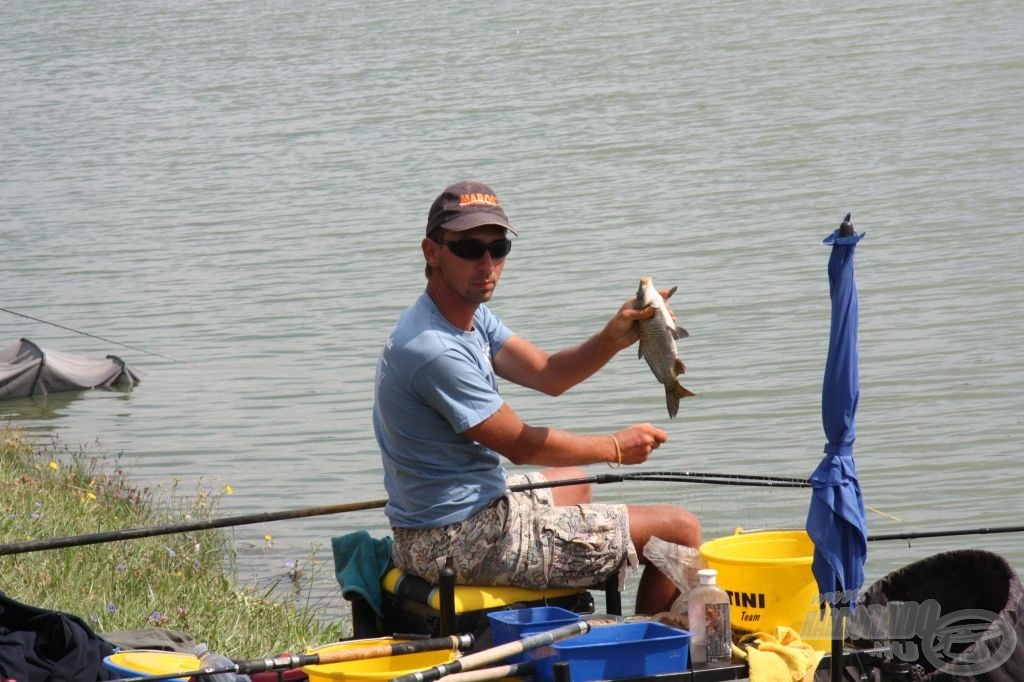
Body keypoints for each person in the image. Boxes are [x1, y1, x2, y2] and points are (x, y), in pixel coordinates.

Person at [372, 180, 701, 614]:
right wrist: (616, 447)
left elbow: (550, 374)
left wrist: (614, 336)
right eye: (469, 249)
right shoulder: (433, 349)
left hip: (449, 515)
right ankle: (643, 649)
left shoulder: (466, 316)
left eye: (499, 247)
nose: (487, 262)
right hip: (456, 540)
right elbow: (521, 445)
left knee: (577, 479)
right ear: (432, 252)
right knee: (678, 530)